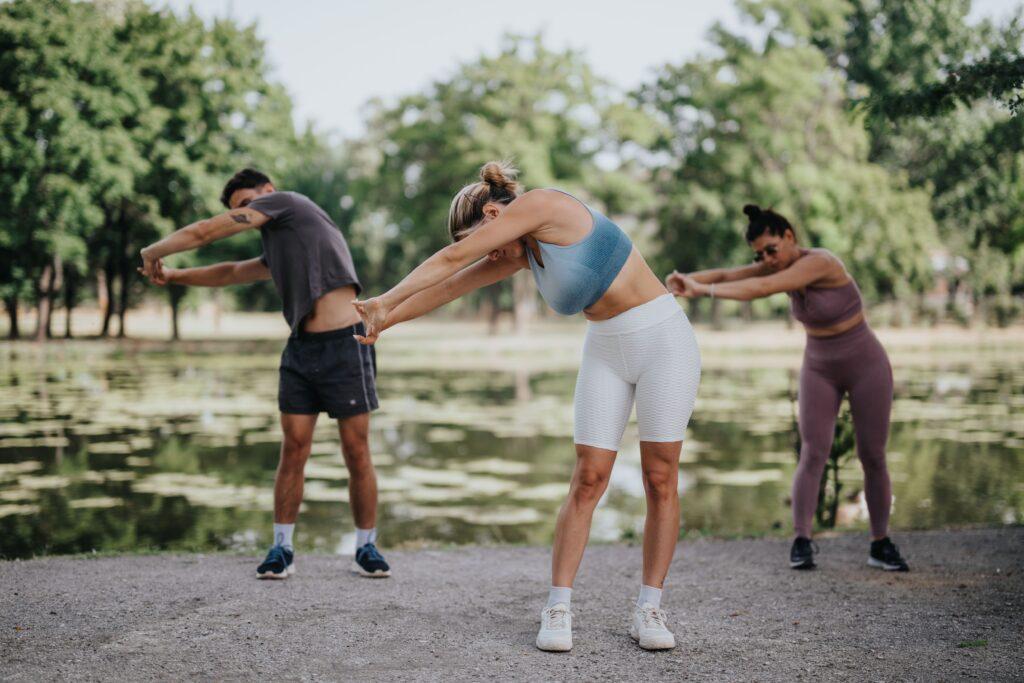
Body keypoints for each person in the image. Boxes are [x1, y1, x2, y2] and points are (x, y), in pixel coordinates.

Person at [351, 161, 701, 652]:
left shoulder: (543, 205)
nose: (489, 252)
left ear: (496, 212)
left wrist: (383, 298)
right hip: (605, 346)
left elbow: (452, 262)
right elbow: (451, 286)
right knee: (588, 477)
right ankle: (558, 606)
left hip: (662, 340)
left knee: (660, 477)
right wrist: (384, 320)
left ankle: (649, 608)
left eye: (485, 238)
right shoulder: (521, 251)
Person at [138, 168, 391, 580]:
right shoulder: (280, 243)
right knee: (293, 448)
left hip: (347, 344)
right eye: (240, 210)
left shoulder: (287, 203)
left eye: (246, 205)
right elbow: (232, 273)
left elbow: (205, 232)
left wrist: (153, 252)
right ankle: (281, 548)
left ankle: (367, 547)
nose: (244, 214)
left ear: (267, 193)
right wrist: (174, 276)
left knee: (355, 449)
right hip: (301, 348)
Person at [666, 204, 909, 572]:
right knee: (813, 451)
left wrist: (704, 291)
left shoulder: (821, 262)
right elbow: (732, 274)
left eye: (771, 250)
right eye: (759, 254)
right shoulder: (775, 263)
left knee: (872, 454)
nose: (766, 259)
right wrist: (682, 280)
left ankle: (880, 542)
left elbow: (762, 287)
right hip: (819, 366)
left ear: (790, 237)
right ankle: (802, 540)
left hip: (866, 364)